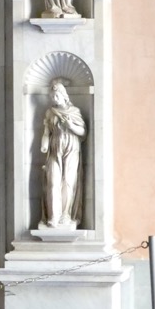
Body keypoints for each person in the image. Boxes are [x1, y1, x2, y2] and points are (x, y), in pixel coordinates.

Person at [39, 78, 87, 231]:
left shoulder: (74, 111)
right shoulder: (50, 112)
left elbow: (83, 132)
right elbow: (46, 132)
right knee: (53, 181)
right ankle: (53, 215)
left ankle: (65, 215)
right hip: (55, 149)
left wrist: (70, 125)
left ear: (64, 95)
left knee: (68, 181)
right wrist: (44, 144)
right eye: (52, 97)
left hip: (72, 149)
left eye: (56, 96)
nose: (54, 99)